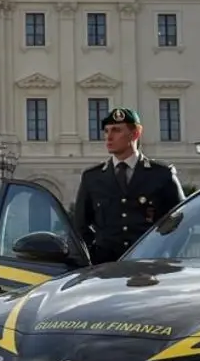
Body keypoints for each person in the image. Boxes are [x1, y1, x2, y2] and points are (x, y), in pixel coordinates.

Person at [73, 107, 185, 263]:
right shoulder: (92, 177)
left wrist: (165, 254)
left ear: (135, 134)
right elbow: (80, 226)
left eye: (116, 130)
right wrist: (94, 255)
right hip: (106, 268)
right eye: (106, 131)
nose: (109, 137)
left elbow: (180, 221)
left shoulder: (161, 175)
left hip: (149, 267)